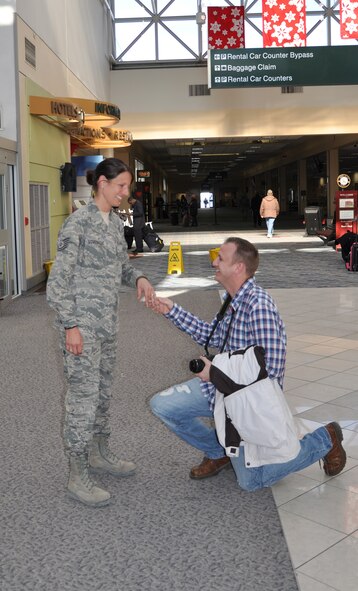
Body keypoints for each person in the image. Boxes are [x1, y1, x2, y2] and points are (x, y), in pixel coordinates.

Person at [149, 237, 346, 485]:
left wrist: (219, 375)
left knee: (251, 480)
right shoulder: (232, 300)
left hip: (247, 403)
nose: (214, 263)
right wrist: (172, 311)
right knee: (163, 406)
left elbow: (270, 372)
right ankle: (219, 452)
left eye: (221, 258)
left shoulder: (258, 306)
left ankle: (324, 440)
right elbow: (212, 335)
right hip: (219, 390)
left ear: (238, 267)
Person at [47, 157, 155, 507]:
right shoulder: (78, 224)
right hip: (81, 328)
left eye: (127, 186)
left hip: (107, 325)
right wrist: (71, 327)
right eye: (121, 185)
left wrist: (138, 278)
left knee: (102, 394)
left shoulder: (113, 224)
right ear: (102, 185)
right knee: (81, 400)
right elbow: (57, 283)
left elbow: (121, 266)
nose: (126, 192)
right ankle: (77, 474)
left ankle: (99, 453)